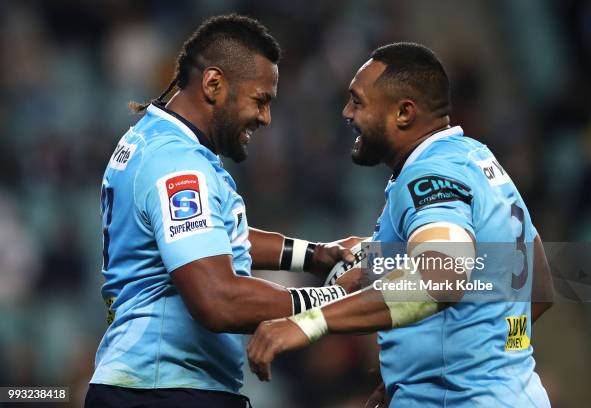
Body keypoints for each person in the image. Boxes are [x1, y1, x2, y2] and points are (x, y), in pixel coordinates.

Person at [247, 42, 554, 407]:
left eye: (358, 102)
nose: (346, 112)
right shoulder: (477, 160)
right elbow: (539, 284)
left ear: (404, 113)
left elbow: (442, 276)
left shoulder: (427, 175)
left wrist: (310, 322)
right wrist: (421, 370)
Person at [85, 14, 360, 408]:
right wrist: (329, 299)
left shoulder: (158, 141)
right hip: (163, 389)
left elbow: (209, 238)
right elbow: (217, 299)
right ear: (214, 84)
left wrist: (313, 255)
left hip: (154, 385)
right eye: (260, 100)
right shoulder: (178, 164)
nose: (265, 118)